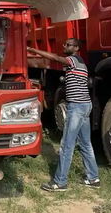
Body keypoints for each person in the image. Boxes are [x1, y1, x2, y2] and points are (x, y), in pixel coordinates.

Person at [27, 38, 100, 192]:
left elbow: (54, 58)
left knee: (67, 145)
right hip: (85, 106)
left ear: (76, 48)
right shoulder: (82, 62)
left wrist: (33, 51)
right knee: (86, 144)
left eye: (67, 44)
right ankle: (93, 178)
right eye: (64, 43)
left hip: (77, 108)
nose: (64, 46)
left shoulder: (72, 60)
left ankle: (60, 182)